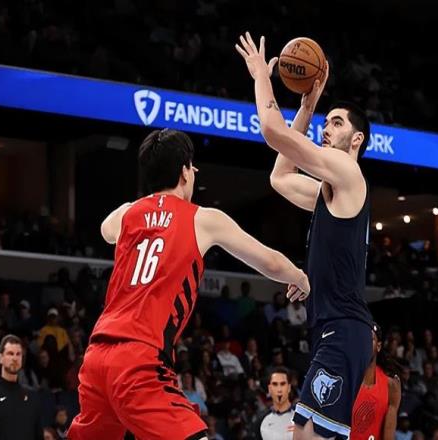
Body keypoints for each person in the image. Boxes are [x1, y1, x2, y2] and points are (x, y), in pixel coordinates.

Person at [68, 128, 310, 440]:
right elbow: (271, 263)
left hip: (97, 357)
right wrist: (299, 277)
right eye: (192, 167)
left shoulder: (128, 214)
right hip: (139, 359)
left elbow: (105, 229)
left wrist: (149, 204)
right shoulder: (202, 219)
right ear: (184, 171)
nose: (194, 173)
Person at [236, 33, 373, 439]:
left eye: (336, 123)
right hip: (333, 328)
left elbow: (272, 131)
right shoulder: (329, 192)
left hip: (343, 330)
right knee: (305, 435)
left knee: (303, 436)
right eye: (326, 122)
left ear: (357, 139)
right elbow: (280, 177)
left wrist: (262, 77)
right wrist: (307, 108)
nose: (326, 129)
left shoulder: (348, 172)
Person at [0, 334, 43, 440]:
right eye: (10, 354)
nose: (15, 358)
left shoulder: (32, 396)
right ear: (1, 358)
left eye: (18, 354)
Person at [351, 324, 401, 440]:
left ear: (378, 346)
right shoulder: (345, 379)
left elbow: (388, 436)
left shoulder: (391, 386)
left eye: (370, 340)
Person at [256, 366, 295, 440]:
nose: (279, 389)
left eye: (283, 384)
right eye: (275, 384)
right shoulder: (261, 421)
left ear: (289, 387)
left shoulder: (301, 417)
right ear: (269, 389)